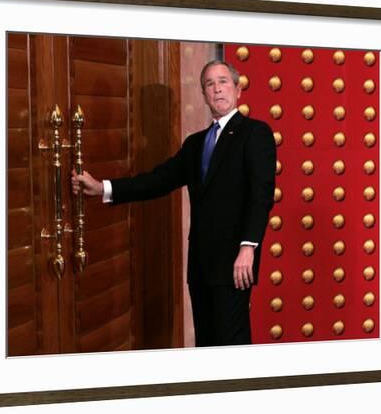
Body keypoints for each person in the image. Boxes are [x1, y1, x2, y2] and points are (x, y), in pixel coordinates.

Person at [71, 60, 276, 347]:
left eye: (223, 82)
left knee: (232, 346)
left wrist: (248, 248)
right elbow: (158, 180)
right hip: (200, 265)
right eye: (209, 84)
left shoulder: (255, 133)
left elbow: (261, 195)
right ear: (204, 94)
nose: (217, 89)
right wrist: (103, 187)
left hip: (234, 263)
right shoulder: (195, 144)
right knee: (206, 344)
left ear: (238, 90)